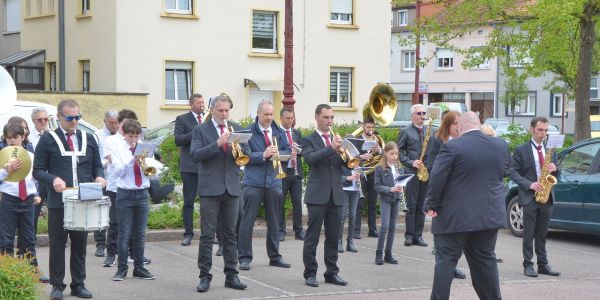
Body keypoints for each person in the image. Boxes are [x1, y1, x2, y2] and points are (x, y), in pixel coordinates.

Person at [425, 112, 509, 300]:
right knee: (485, 263)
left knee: (445, 262)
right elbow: (502, 171)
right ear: (479, 124)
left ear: (461, 126)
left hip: (454, 217)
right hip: (488, 217)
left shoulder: (452, 147)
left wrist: (431, 204)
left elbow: (437, 178)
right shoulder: (501, 145)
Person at [33, 99, 105, 300]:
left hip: (83, 200)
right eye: (70, 118)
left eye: (78, 117)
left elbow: (97, 166)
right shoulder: (48, 140)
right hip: (58, 202)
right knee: (57, 245)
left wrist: (99, 176)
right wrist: (53, 179)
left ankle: (78, 284)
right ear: (58, 117)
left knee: (80, 244)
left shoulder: (89, 138)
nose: (75, 122)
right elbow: (37, 171)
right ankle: (57, 286)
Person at [191, 94, 248, 293]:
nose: (224, 114)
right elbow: (196, 154)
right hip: (210, 188)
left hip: (232, 186)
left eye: (227, 110)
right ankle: (204, 276)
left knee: (230, 235)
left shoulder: (236, 127)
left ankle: (231, 276)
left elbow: (246, 155)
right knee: (207, 235)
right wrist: (217, 143)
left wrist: (239, 148)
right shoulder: (201, 130)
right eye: (220, 111)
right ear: (212, 110)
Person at [238, 100, 291, 270]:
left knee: (275, 221)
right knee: (247, 221)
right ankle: (244, 257)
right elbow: (244, 155)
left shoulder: (278, 131)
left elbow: (288, 151)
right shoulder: (248, 131)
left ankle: (274, 256)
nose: (269, 118)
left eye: (271, 114)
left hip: (274, 181)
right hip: (253, 182)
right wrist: (264, 154)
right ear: (258, 114)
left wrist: (279, 154)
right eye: (266, 114)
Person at [508, 116, 561, 278]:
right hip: (529, 195)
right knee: (529, 233)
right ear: (532, 130)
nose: (543, 134)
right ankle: (528, 264)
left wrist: (555, 168)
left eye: (546, 130)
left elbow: (558, 171)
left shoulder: (551, 148)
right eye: (540, 130)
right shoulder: (521, 149)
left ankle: (543, 265)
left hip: (546, 195)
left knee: (542, 233)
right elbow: (512, 172)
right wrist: (529, 184)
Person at [301, 104, 347, 288]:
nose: (330, 121)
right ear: (317, 118)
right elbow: (310, 159)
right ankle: (310, 273)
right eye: (326, 117)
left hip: (336, 195)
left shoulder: (337, 140)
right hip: (317, 196)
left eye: (332, 118)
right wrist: (330, 147)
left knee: (333, 237)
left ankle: (332, 272)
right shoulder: (309, 139)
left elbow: (344, 165)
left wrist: (352, 157)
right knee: (312, 237)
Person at [101, 109, 151, 268]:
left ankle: (134, 255)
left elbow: (148, 171)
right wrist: (132, 159)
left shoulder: (140, 144)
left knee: (137, 229)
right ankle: (111, 254)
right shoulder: (112, 141)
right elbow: (112, 164)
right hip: (117, 186)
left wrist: (150, 167)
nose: (134, 137)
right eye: (125, 123)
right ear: (121, 124)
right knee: (116, 223)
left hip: (138, 189)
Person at [111, 119, 156, 281]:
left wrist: (147, 163)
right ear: (125, 135)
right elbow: (116, 172)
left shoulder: (144, 146)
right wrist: (132, 160)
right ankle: (121, 269)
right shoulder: (119, 149)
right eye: (131, 136)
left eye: (137, 136)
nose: (134, 140)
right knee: (124, 234)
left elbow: (152, 171)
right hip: (125, 194)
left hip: (142, 193)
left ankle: (139, 268)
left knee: (140, 234)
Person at [425, 111, 466, 279]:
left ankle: (453, 265)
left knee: (458, 232)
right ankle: (443, 266)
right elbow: (430, 166)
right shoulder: (437, 140)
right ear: (447, 125)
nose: (458, 127)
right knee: (442, 233)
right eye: (455, 124)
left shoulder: (463, 142)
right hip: (442, 193)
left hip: (460, 194)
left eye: (459, 124)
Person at [0, 123, 41, 271]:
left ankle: (30, 272)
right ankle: (7, 273)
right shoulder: (2, 156)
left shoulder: (31, 156)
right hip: (9, 200)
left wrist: (37, 194)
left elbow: (36, 179)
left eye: (16, 137)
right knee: (6, 239)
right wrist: (6, 171)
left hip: (28, 200)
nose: (12, 141)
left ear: (23, 137)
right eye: (8, 138)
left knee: (29, 238)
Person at [396, 104, 430, 247]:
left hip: (425, 173)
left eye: (423, 113)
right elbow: (399, 152)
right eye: (419, 113)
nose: (422, 115)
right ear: (412, 116)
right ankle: (409, 235)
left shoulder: (430, 130)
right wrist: (411, 162)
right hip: (411, 172)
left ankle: (419, 236)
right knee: (411, 205)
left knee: (422, 205)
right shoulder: (406, 131)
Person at [175, 93, 205, 246]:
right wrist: (196, 131)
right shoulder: (182, 119)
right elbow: (178, 140)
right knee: (189, 202)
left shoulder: (208, 120)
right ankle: (188, 234)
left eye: (203, 102)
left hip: (206, 166)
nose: (202, 105)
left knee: (209, 201)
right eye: (199, 102)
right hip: (189, 167)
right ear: (192, 104)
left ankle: (208, 234)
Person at [92, 110, 119, 258]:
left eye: (116, 122)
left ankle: (114, 244)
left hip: (116, 182)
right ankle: (100, 244)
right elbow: (95, 160)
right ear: (105, 121)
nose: (114, 125)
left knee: (115, 216)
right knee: (100, 213)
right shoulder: (98, 136)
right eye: (111, 123)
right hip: (103, 180)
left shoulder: (121, 136)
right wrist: (106, 162)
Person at [373, 142, 404, 265]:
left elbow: (401, 181)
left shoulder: (399, 167)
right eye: (392, 154)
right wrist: (390, 189)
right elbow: (377, 186)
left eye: (396, 154)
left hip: (396, 198)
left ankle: (388, 253)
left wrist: (402, 187)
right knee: (384, 226)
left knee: (392, 227)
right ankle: (379, 253)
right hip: (386, 199)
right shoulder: (380, 168)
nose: (394, 156)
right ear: (385, 153)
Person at [278, 107, 306, 241]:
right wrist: (289, 151)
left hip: (296, 173)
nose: (291, 120)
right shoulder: (277, 133)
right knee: (280, 203)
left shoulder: (296, 133)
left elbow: (303, 151)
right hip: (282, 173)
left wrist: (298, 150)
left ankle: (298, 231)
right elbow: (276, 152)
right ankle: (280, 231)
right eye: (288, 118)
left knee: (297, 204)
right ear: (281, 118)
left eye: (292, 118)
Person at [354, 118, 382, 239]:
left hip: (373, 173)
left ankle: (373, 230)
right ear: (363, 127)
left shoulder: (377, 140)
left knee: (372, 203)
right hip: (361, 172)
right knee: (359, 203)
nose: (370, 130)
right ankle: (356, 230)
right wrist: (361, 156)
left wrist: (380, 150)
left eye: (372, 127)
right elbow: (349, 154)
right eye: (368, 127)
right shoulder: (357, 139)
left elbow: (385, 156)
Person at [337, 166, 360, 254]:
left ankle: (350, 242)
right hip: (344, 189)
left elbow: (363, 173)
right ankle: (339, 241)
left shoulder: (357, 157)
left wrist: (360, 173)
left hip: (356, 189)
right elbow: (336, 175)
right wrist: (348, 178)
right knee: (342, 216)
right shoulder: (342, 157)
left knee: (353, 216)